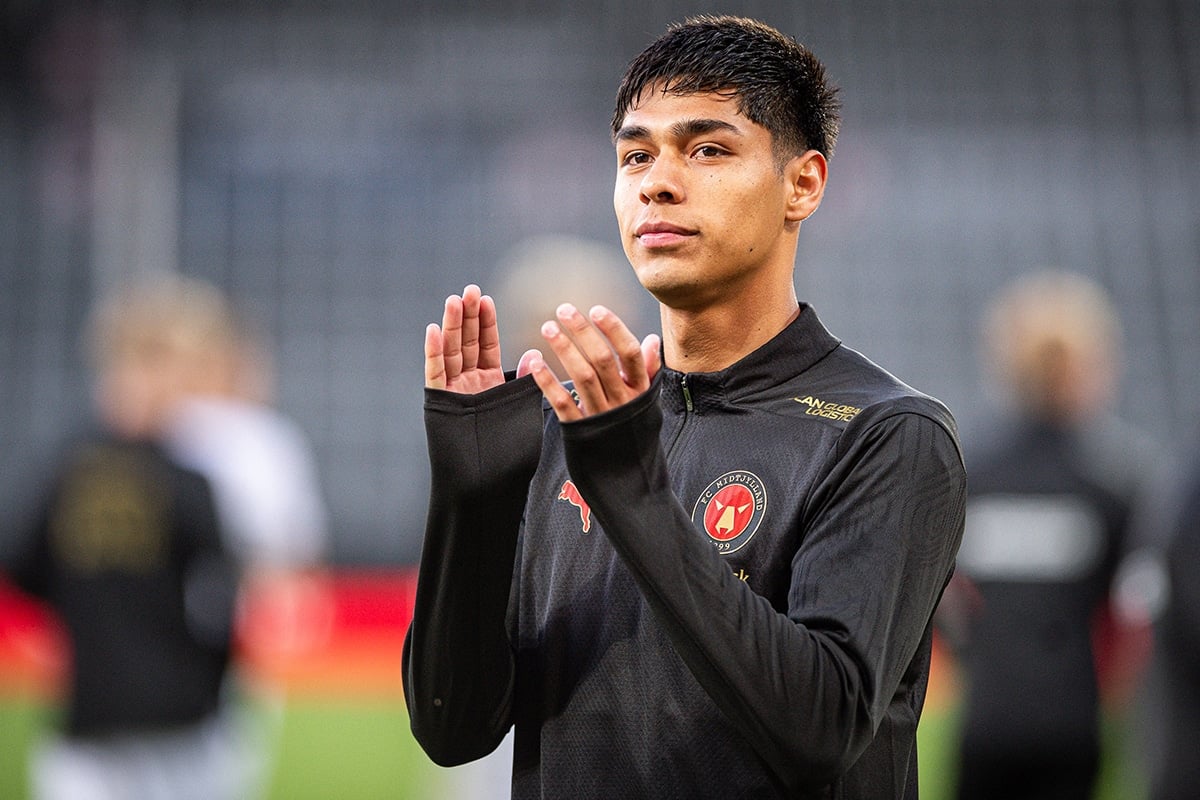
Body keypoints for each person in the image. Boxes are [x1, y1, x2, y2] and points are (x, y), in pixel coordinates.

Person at [403, 15, 967, 799]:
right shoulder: (568, 425)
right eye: (636, 154)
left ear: (802, 183)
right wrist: (472, 506)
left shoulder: (886, 436)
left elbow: (819, 731)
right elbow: (452, 727)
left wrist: (635, 497)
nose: (656, 182)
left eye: (708, 149)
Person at [5, 276, 242, 800]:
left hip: (95, 712)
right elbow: (219, 601)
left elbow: (23, 567)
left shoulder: (65, 470)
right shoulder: (186, 480)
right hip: (177, 720)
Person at [945, 271, 1154, 800]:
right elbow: (1129, 614)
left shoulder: (970, 473)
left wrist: (976, 655)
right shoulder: (1112, 482)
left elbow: (941, 598)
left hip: (989, 718)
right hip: (1070, 723)